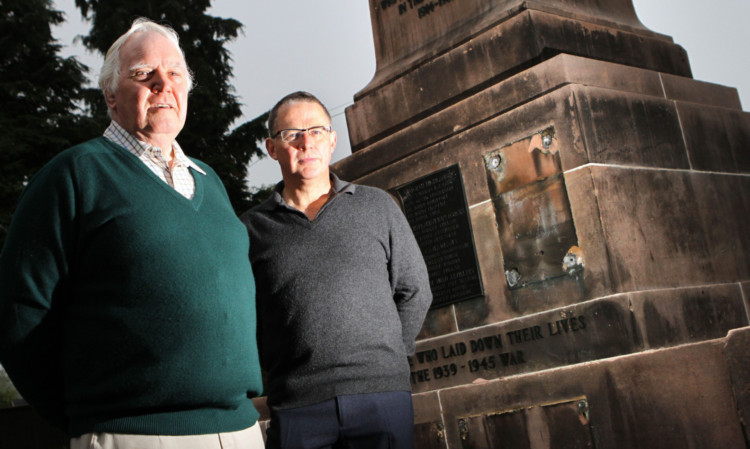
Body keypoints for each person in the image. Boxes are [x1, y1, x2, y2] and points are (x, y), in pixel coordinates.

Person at [0, 18, 264, 448]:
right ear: (110, 94)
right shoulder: (75, 175)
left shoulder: (210, 181)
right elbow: (19, 315)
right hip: (134, 434)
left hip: (240, 431)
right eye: (144, 74)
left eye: (175, 73)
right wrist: (86, 416)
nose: (163, 84)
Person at [241, 91, 432, 449]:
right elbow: (244, 316)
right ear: (272, 148)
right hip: (298, 406)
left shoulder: (377, 206)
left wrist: (390, 358)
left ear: (332, 140)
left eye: (316, 131)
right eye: (292, 134)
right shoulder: (251, 229)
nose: (306, 142)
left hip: (381, 398)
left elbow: (415, 289)